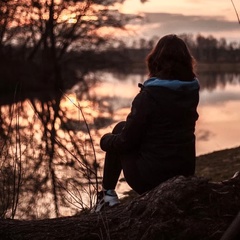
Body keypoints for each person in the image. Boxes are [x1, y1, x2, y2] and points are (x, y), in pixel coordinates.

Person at [92, 34, 200, 213]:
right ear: (187, 63)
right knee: (126, 130)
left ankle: (107, 197)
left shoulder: (148, 97)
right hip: (184, 174)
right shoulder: (190, 92)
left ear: (155, 62)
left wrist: (105, 141)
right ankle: (107, 198)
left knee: (119, 130)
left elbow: (126, 142)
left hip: (151, 181)